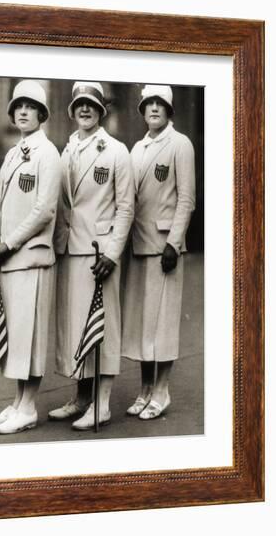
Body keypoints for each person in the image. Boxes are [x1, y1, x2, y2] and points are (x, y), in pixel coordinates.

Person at [50, 81, 134, 430]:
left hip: (100, 253)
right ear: (72, 111)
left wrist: (113, 253)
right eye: (79, 104)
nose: (85, 109)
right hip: (70, 248)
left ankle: (102, 404)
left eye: (92, 105)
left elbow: (126, 207)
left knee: (103, 328)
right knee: (76, 327)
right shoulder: (66, 150)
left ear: (101, 111)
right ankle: (82, 398)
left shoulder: (116, 151)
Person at [0, 80, 62, 434]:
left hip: (30, 256)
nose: (23, 112)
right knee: (15, 333)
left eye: (30, 107)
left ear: (42, 114)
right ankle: (17, 403)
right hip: (7, 258)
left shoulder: (48, 153)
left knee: (29, 334)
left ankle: (29, 406)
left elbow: (44, 210)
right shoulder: (13, 154)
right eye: (18, 106)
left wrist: (9, 243)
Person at [122, 84, 196, 420]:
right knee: (141, 323)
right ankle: (145, 389)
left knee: (162, 323)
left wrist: (173, 242)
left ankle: (162, 391)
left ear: (169, 110)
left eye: (159, 103)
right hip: (137, 245)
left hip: (164, 246)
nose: (153, 108)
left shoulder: (180, 144)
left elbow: (186, 198)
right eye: (148, 103)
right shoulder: (137, 148)